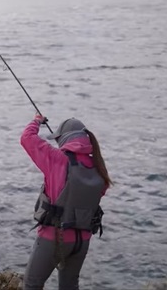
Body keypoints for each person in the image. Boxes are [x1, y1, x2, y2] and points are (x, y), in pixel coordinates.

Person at [20, 113, 112, 290]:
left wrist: (36, 121)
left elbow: (27, 138)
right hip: (81, 241)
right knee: (69, 286)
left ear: (64, 139)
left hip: (53, 238)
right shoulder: (98, 167)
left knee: (32, 284)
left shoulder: (58, 159)